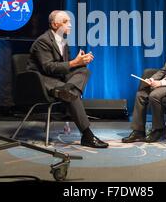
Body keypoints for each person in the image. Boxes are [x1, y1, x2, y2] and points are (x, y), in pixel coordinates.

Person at [26, 10, 108, 148]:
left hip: (59, 80)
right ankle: (87, 136)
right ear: (54, 24)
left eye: (70, 21)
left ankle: (66, 90)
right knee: (72, 96)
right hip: (42, 81)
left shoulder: (63, 41)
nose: (70, 24)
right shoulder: (43, 41)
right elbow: (49, 68)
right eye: (65, 22)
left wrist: (80, 63)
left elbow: (65, 66)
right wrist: (75, 62)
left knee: (84, 71)